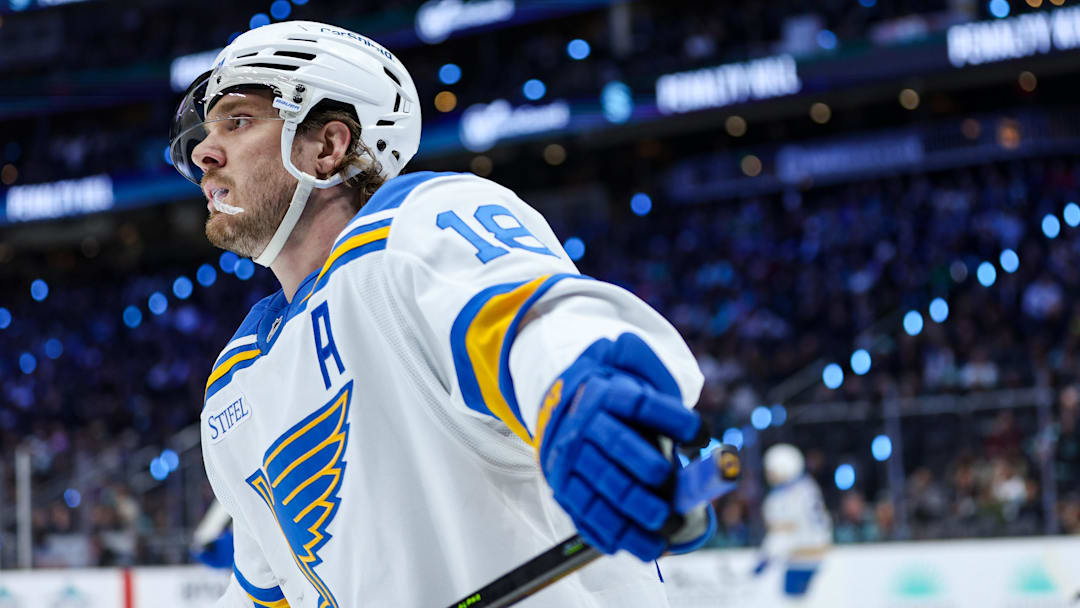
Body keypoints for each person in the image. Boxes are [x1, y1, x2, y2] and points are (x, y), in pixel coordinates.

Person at [168, 21, 714, 607]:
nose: (204, 150)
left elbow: (536, 325)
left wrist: (580, 391)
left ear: (327, 148)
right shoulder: (232, 383)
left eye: (239, 121)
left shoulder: (414, 223)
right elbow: (271, 593)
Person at [754, 443, 832, 602]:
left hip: (800, 558)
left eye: (772, 470)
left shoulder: (784, 497)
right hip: (817, 554)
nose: (769, 475)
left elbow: (782, 532)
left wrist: (765, 557)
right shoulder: (808, 487)